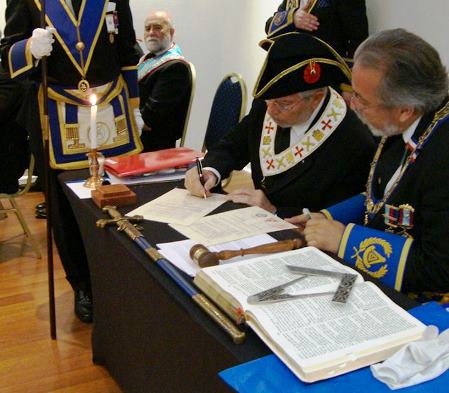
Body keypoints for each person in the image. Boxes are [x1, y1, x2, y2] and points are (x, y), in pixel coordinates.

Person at [1, 0, 142, 322]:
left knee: (122, 194)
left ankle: (127, 277)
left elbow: (127, 51)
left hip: (111, 108)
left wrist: (134, 102)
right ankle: (83, 284)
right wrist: (28, 49)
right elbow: (6, 55)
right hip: (55, 111)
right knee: (65, 209)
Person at [287, 29, 449, 298]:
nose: (352, 104)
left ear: (404, 109)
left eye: (362, 99)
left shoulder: (442, 157)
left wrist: (345, 241)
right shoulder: (411, 116)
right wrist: (325, 218)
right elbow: (387, 196)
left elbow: (439, 269)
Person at [185, 32, 375, 218]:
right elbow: (234, 145)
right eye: (268, 101)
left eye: (284, 104)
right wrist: (210, 170)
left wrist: (274, 211)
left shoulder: (353, 142)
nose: (271, 110)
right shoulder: (269, 103)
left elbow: (339, 217)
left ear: (316, 99)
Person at [137, 11, 192, 152]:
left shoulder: (176, 67)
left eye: (157, 27)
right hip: (140, 137)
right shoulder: (148, 58)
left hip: (153, 148)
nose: (151, 32)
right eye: (147, 28)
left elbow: (148, 120)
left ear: (172, 32)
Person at [265, 0, 368, 63]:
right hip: (294, 75)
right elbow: (270, 28)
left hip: (328, 75)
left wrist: (348, 85)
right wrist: (292, 17)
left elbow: (358, 39)